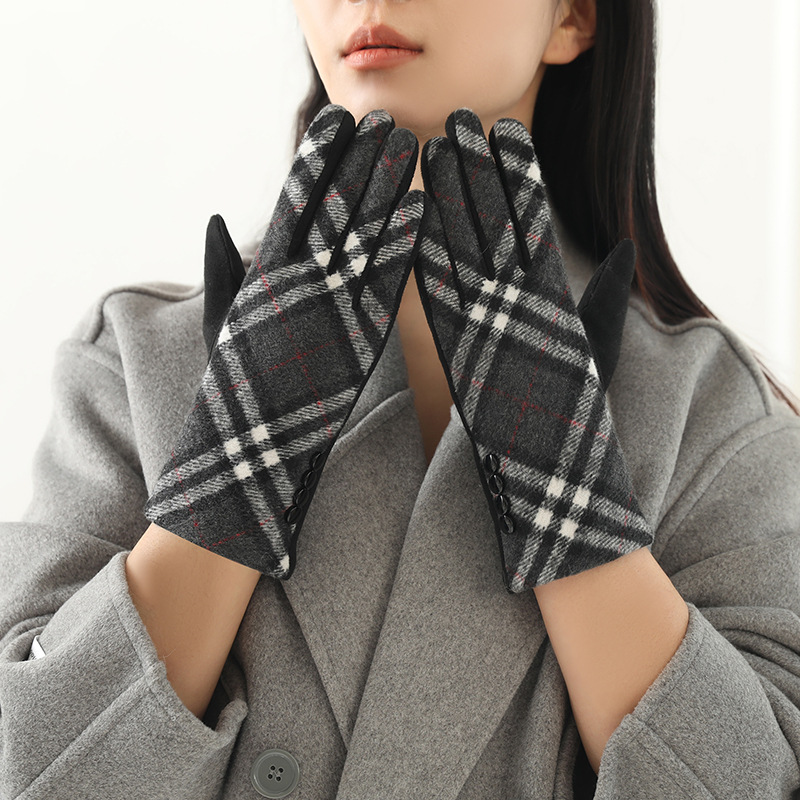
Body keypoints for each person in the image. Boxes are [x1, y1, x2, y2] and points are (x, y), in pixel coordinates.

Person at [2, 0, 799, 798]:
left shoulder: (710, 411)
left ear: (574, 18)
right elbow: (32, 771)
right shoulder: (136, 362)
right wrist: (234, 469)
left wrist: (569, 499)